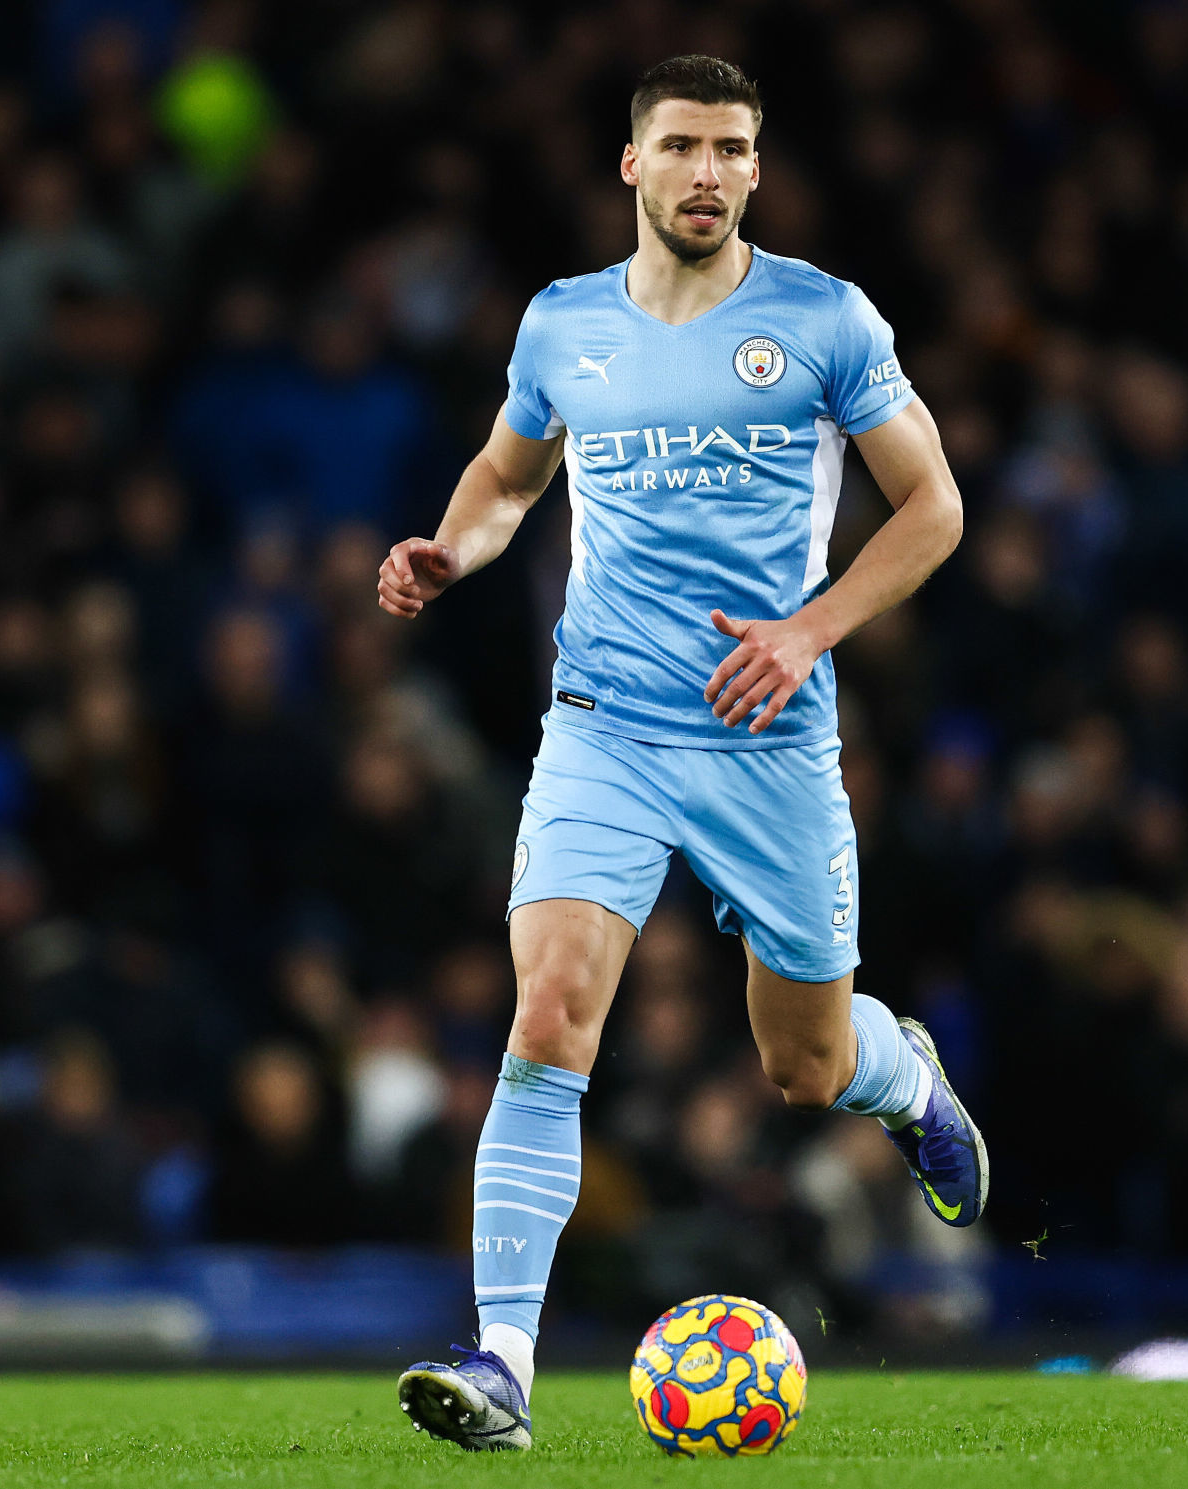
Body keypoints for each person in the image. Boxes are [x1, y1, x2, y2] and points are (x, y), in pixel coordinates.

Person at [378, 56, 981, 1452]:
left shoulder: (825, 319)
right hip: (605, 724)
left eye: (732, 150)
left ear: (756, 170)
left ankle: (904, 1075)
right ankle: (504, 1367)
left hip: (769, 736)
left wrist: (810, 629)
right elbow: (508, 477)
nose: (708, 172)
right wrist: (452, 548)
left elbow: (936, 506)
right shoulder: (563, 323)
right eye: (682, 146)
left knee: (803, 1068)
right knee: (549, 1014)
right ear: (632, 164)